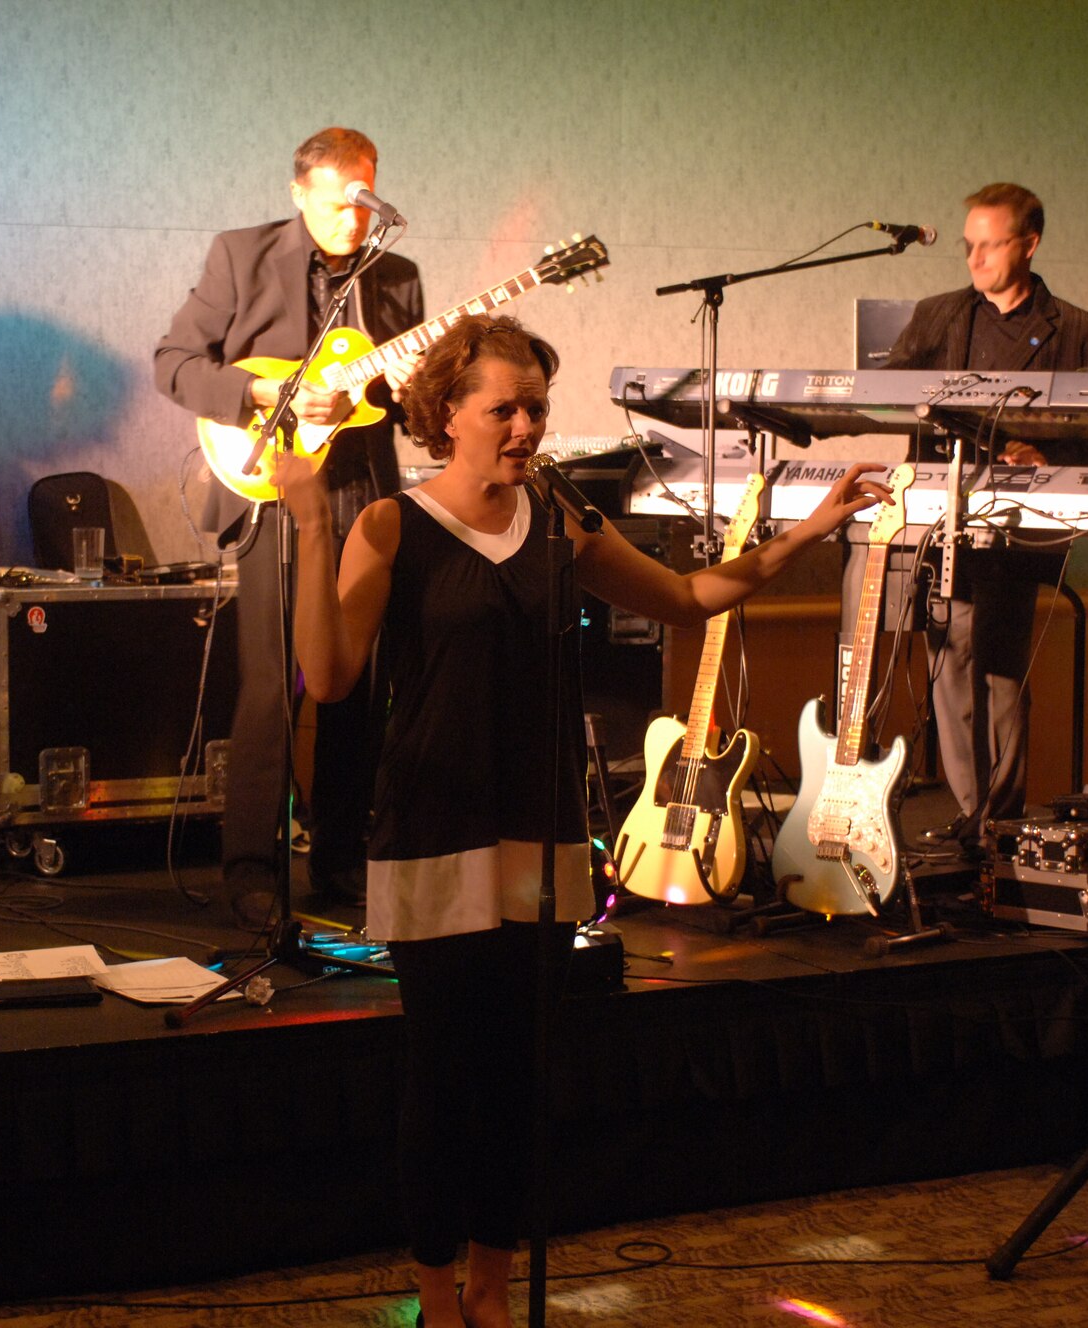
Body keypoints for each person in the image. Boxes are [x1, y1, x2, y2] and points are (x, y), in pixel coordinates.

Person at [274, 314, 889, 1328]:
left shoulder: (556, 517)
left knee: (517, 1077)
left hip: (538, 826)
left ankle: (489, 1288)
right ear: (446, 415)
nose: (524, 426)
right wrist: (306, 521)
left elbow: (691, 596)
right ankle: (433, 1295)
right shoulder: (390, 524)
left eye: (535, 409)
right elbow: (332, 676)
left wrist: (810, 528)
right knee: (442, 1076)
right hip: (433, 831)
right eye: (502, 408)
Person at [154, 126, 424, 923]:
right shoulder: (242, 256)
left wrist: (413, 382)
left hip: (361, 490)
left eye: (366, 200)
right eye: (340, 202)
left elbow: (407, 402)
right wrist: (262, 397)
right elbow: (173, 362)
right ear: (299, 192)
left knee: (358, 684)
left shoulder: (396, 275)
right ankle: (252, 873)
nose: (355, 217)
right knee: (274, 683)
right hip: (274, 486)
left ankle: (343, 863)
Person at [877, 181, 1088, 848]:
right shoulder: (937, 317)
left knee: (998, 671)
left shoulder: (1079, 332)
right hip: (942, 519)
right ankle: (973, 817)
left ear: (1030, 243)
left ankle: (998, 821)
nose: (974, 258)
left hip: (1017, 531)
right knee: (950, 661)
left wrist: (1044, 450)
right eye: (968, 245)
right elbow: (890, 398)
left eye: (989, 244)